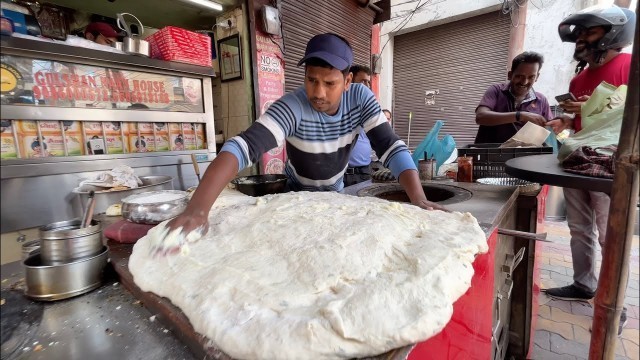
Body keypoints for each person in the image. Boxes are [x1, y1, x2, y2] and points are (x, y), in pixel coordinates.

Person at [158, 33, 447, 250]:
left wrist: (418, 198)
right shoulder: (292, 106)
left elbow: (390, 146)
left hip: (336, 197)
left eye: (329, 83)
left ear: (347, 82)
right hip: (293, 200)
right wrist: (197, 209)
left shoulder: (361, 100)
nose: (318, 92)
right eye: (311, 80)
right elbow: (242, 147)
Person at [544, 4, 635, 336]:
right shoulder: (579, 76)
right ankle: (584, 284)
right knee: (580, 227)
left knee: (611, 235)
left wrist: (594, 105)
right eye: (580, 32)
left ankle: (616, 304)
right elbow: (578, 127)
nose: (581, 38)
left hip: (613, 164)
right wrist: (562, 122)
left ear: (613, 33)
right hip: (579, 158)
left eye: (589, 31)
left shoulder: (630, 66)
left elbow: (627, 117)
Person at [474, 51, 552, 144]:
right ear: (510, 75)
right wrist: (521, 115)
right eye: (519, 76)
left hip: (524, 157)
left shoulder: (541, 100)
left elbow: (550, 129)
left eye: (531, 77)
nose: (524, 82)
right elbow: (480, 117)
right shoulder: (496, 90)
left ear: (537, 77)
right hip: (490, 155)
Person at [345, 64, 375, 186]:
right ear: (349, 80)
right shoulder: (338, 107)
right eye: (363, 81)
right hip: (342, 174)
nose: (367, 87)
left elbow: (385, 141)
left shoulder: (368, 108)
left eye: (368, 83)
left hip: (364, 172)